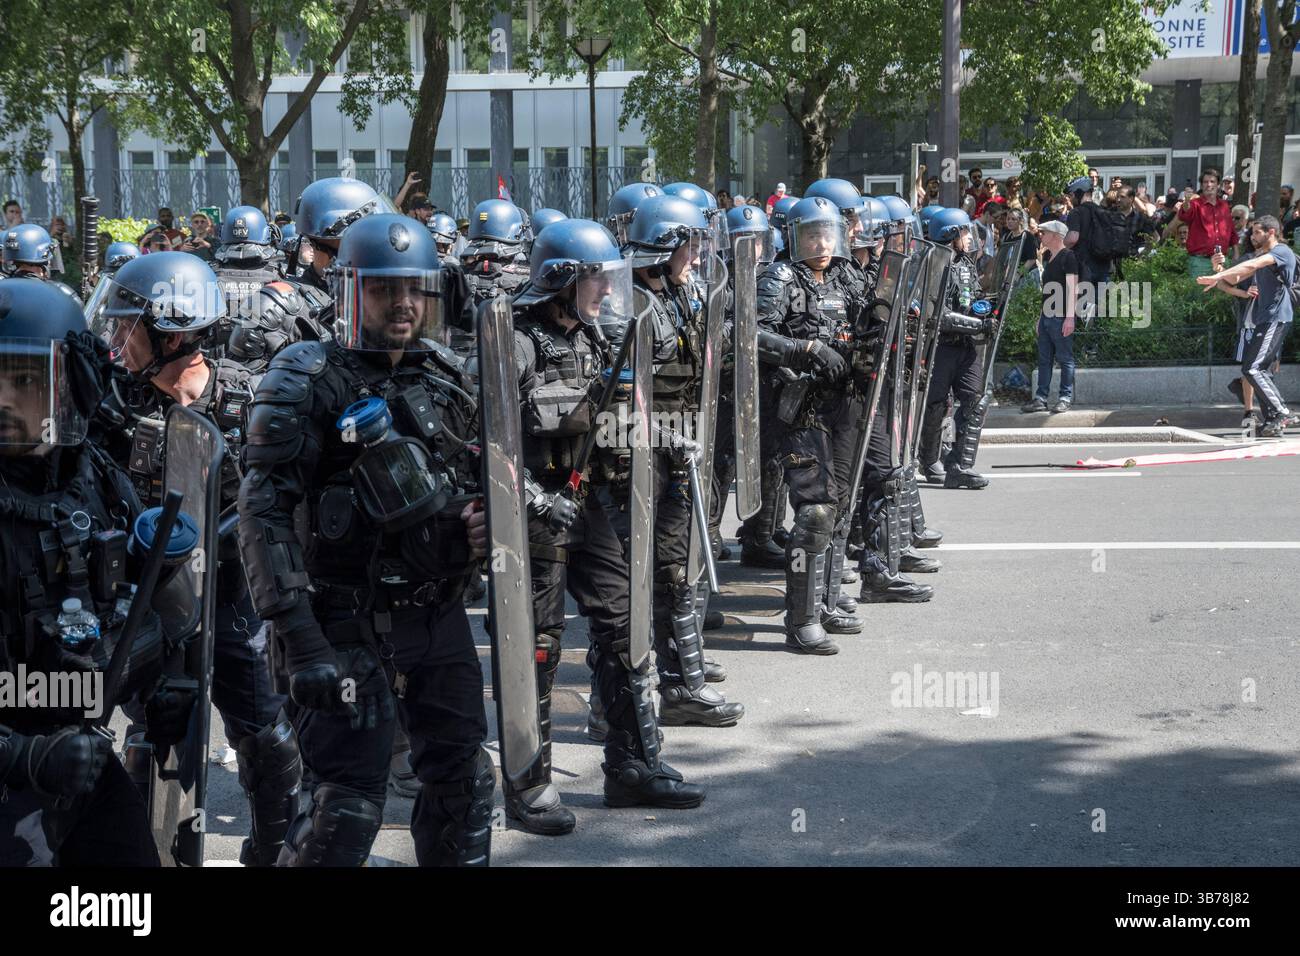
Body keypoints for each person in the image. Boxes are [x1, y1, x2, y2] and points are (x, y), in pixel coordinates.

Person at [237, 214, 494, 865]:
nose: (403, 304)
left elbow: (468, 480)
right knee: (345, 805)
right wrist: (300, 640)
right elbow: (263, 516)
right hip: (339, 621)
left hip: (436, 615)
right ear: (352, 290)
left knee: (466, 787)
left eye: (413, 289)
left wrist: (479, 524)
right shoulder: (304, 377)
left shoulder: (445, 372)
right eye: (384, 290)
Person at [88, 251, 302, 866]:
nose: (118, 338)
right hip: (148, 594)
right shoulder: (111, 401)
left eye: (130, 325)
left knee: (263, 731)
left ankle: (270, 849)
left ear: (175, 331)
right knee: (157, 726)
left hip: (236, 589)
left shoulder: (249, 403)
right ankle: (154, 859)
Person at [505, 218, 706, 834]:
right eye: (595, 277)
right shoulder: (515, 344)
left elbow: (619, 420)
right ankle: (528, 783)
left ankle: (632, 765)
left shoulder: (597, 338)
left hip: (586, 501)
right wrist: (535, 499)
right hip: (528, 514)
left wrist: (669, 438)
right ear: (563, 280)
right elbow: (481, 441)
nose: (604, 290)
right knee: (535, 648)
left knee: (624, 624)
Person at [0, 281, 162, 866]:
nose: (5, 400)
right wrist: (26, 757)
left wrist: (163, 679)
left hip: (76, 742)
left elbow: (150, 596)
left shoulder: (91, 475)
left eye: (25, 380)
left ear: (70, 382)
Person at [621, 193, 747, 721]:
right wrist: (662, 436)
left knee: (676, 567)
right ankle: (652, 689)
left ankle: (678, 677)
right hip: (639, 456)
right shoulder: (626, 304)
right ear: (661, 247)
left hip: (681, 444)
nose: (696, 255)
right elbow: (618, 397)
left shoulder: (680, 294)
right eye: (688, 245)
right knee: (646, 573)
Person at [1197, 215, 1295, 437]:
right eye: (1251, 232)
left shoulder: (1280, 252)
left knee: (1252, 368)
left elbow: (1254, 264)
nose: (1252, 236)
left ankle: (1281, 412)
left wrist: (1221, 274)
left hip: (1275, 318)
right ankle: (1272, 421)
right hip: (1264, 319)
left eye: (1257, 232)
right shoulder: (1262, 256)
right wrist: (1219, 272)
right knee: (1256, 370)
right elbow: (1239, 275)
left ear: (1271, 232)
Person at [919, 208, 994, 489]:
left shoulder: (965, 263)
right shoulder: (934, 263)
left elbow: (971, 297)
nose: (968, 237)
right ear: (950, 235)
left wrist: (985, 311)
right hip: (941, 347)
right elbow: (937, 314)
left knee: (976, 402)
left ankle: (960, 466)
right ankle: (930, 461)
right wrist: (976, 325)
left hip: (967, 346)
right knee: (936, 405)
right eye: (963, 232)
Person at [1022, 220, 1078, 413]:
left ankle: (1065, 397)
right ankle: (1041, 398)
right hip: (1047, 316)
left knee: (1065, 359)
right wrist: (1040, 317)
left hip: (1061, 316)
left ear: (1055, 235)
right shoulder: (1048, 258)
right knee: (1044, 359)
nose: (1041, 236)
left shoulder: (1068, 257)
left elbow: (1072, 289)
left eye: (1044, 233)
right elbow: (1047, 292)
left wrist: (1070, 318)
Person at [1176, 169, 1234, 277]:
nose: (1209, 184)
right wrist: (1187, 201)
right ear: (1202, 186)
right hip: (1200, 261)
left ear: (1218, 185)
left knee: (1223, 293)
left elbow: (1231, 231)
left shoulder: (1224, 206)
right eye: (1205, 182)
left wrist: (1236, 253)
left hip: (1222, 259)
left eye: (1212, 181)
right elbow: (1184, 214)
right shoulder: (1195, 204)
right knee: (1199, 293)